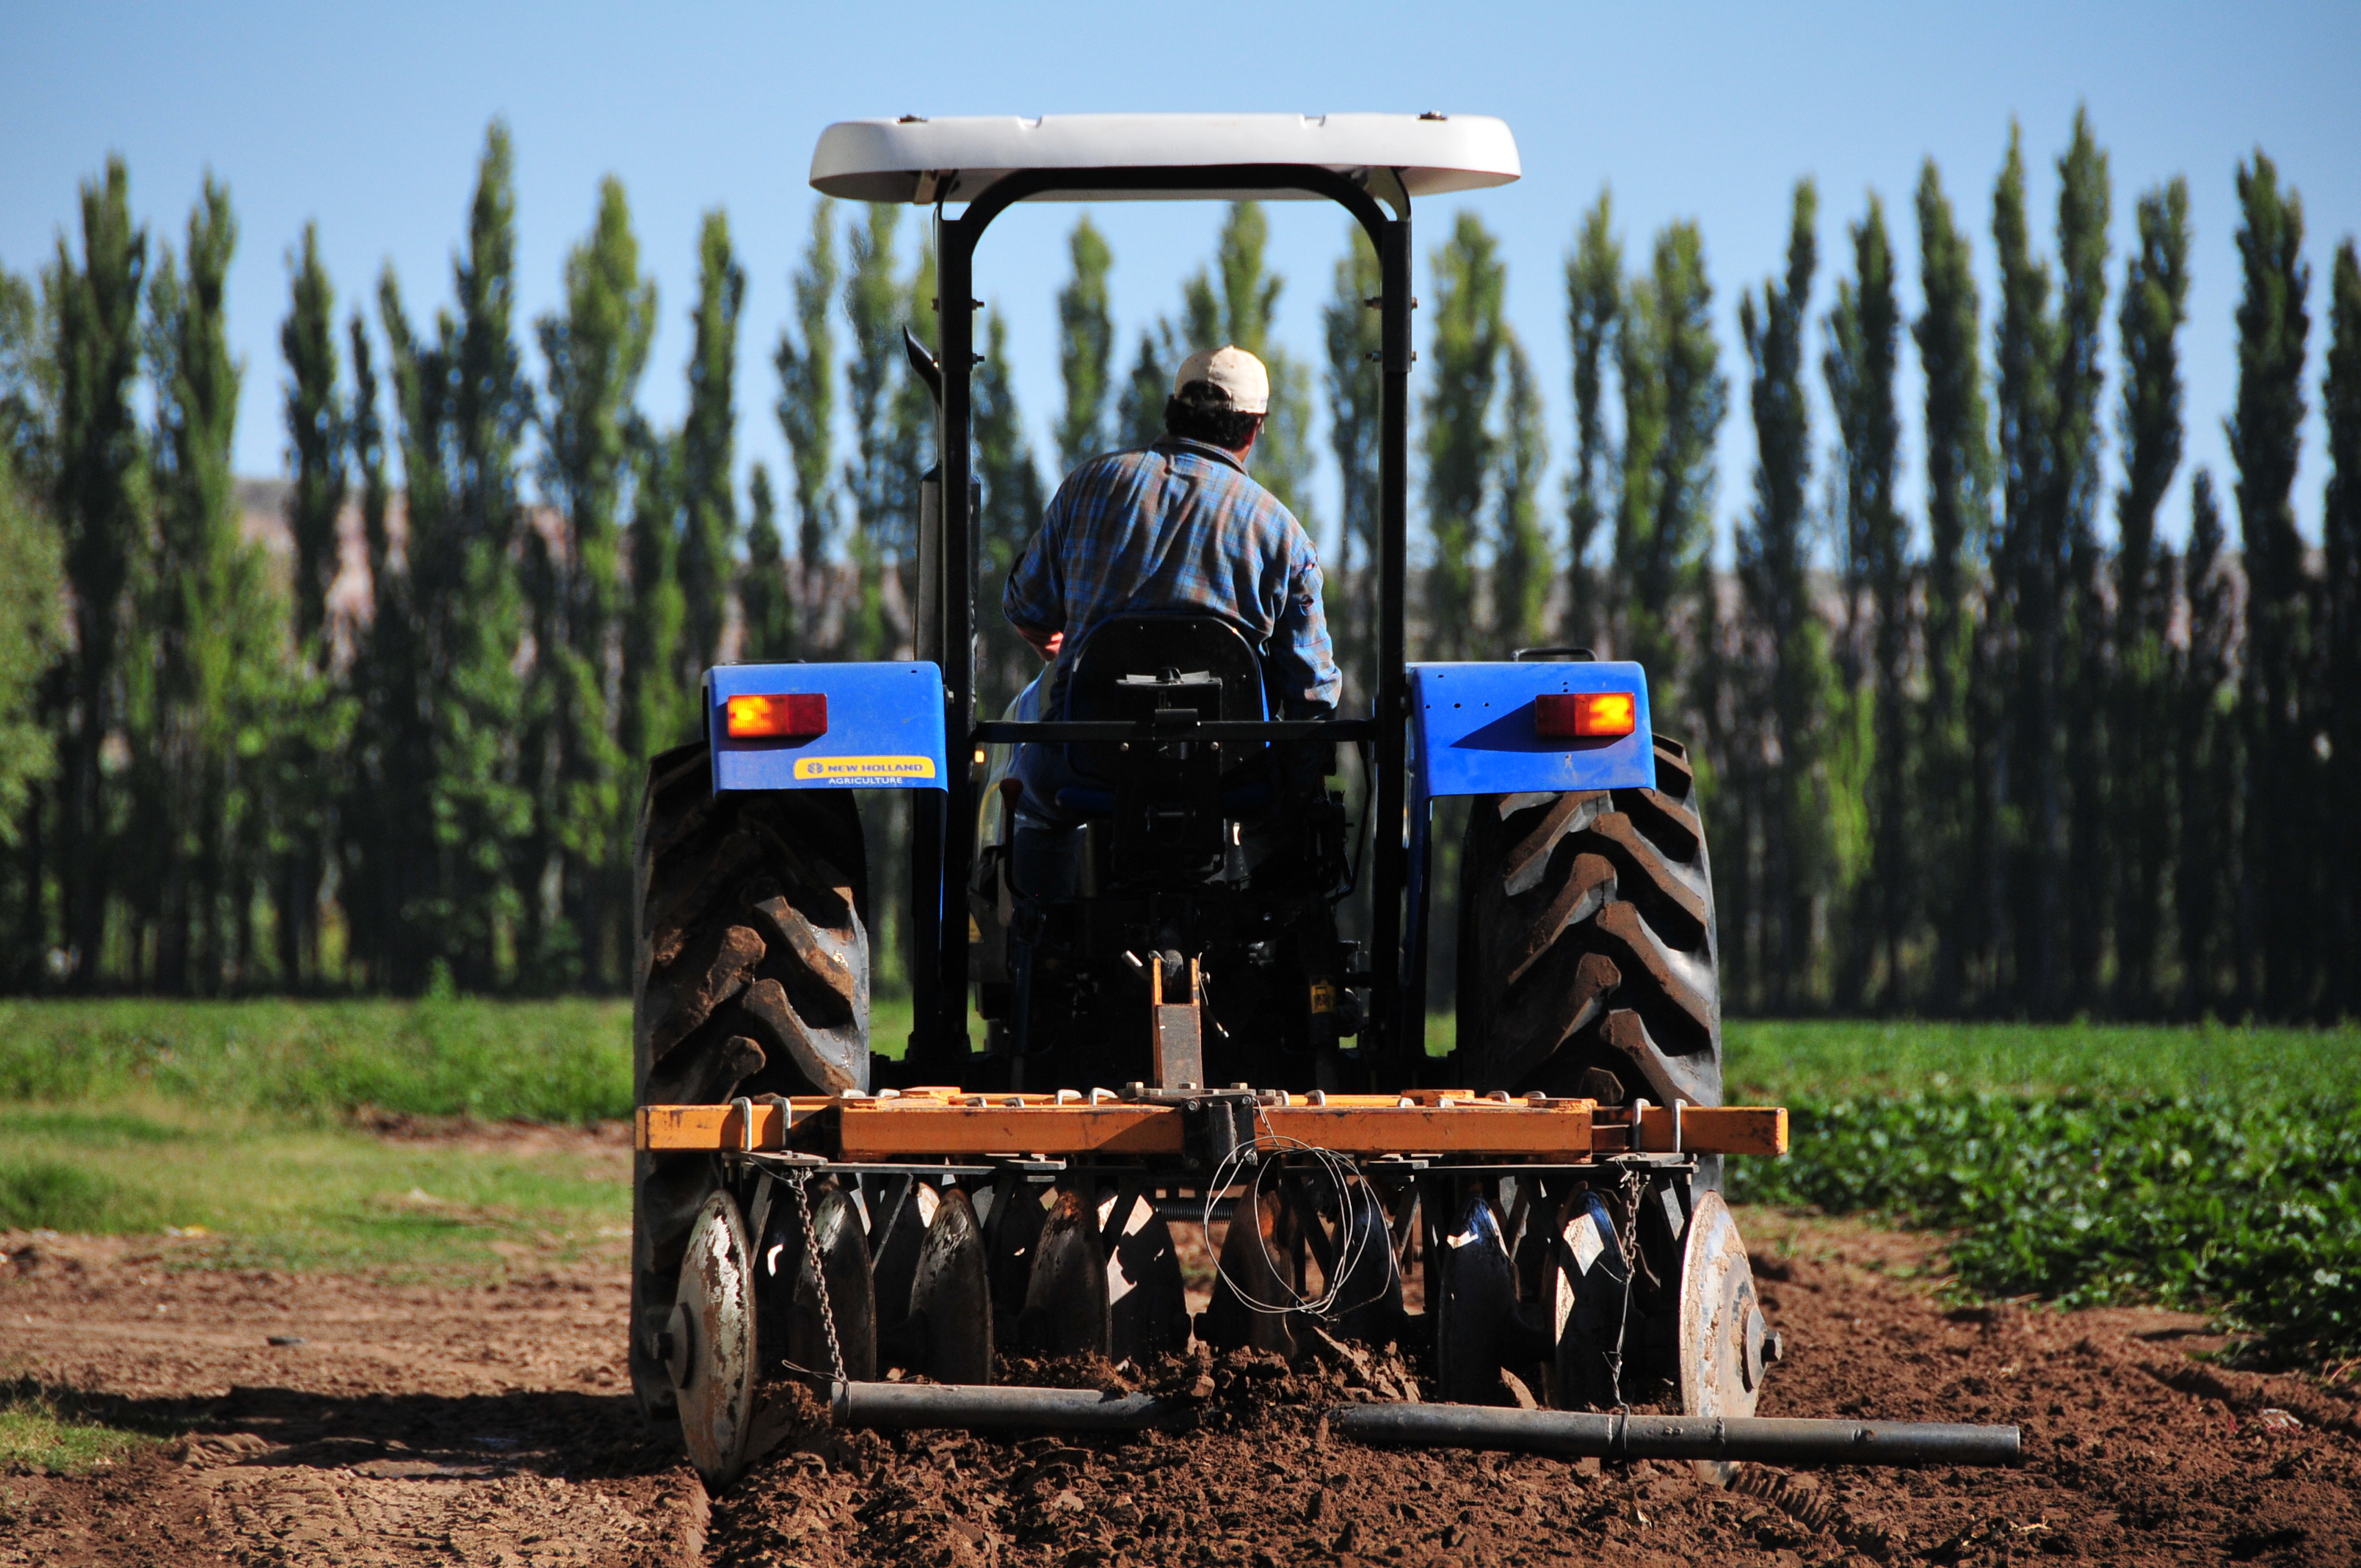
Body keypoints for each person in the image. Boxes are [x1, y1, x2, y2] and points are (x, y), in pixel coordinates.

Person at [1001, 345, 1341, 817]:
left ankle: (1036, 867)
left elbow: (1026, 608)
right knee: (1287, 805)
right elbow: (1313, 695)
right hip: (1230, 777)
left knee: (1025, 785)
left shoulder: (1087, 486)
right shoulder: (1282, 533)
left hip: (1087, 765)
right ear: (1253, 427)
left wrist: (1073, 656)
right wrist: (1295, 797)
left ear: (1174, 410)